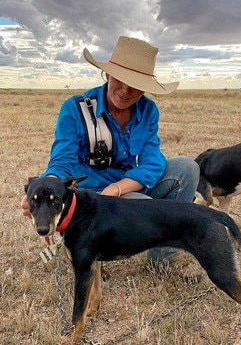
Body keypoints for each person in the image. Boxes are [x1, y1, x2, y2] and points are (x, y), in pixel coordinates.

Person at [20, 36, 199, 271]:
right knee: (145, 209)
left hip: (126, 187)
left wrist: (117, 189)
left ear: (146, 87)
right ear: (107, 74)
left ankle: (161, 260)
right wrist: (48, 190)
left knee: (187, 168)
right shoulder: (76, 109)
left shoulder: (148, 110)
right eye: (120, 79)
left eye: (135, 84)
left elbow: (153, 161)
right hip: (91, 198)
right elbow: (62, 159)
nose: (125, 90)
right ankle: (90, 248)